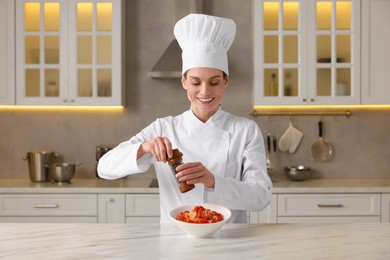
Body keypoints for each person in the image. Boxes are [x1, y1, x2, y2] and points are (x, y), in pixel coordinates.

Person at [98, 13, 272, 223]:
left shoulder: (245, 130)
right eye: (196, 82)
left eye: (214, 82)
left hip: (229, 240)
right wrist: (144, 148)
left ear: (225, 82)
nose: (205, 91)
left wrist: (213, 182)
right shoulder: (163, 128)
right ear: (184, 82)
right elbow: (104, 168)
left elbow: (261, 196)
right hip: (174, 241)